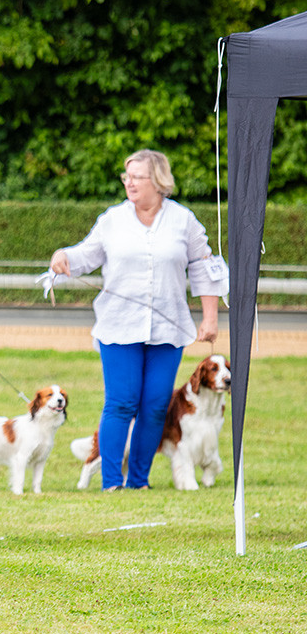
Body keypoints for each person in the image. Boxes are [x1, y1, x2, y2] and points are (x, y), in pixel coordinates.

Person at [49, 149, 225, 491]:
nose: (129, 183)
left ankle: (139, 482)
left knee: (156, 406)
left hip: (169, 328)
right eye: (126, 177)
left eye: (136, 177)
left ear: (158, 180)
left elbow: (206, 269)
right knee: (121, 401)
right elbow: (87, 253)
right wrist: (63, 256)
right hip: (118, 326)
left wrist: (210, 319)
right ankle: (112, 481)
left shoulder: (183, 220)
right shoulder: (112, 219)